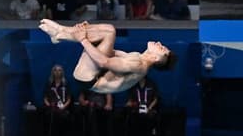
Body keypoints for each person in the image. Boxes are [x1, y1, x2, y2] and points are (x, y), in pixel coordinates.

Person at [38, 20, 176, 94]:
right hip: (97, 72)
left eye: (162, 48)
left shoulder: (139, 65)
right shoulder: (137, 58)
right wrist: (89, 31)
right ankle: (61, 34)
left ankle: (61, 33)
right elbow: (109, 51)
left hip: (90, 78)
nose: (159, 43)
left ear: (157, 59)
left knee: (109, 32)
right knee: (108, 31)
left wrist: (83, 39)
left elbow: (104, 61)